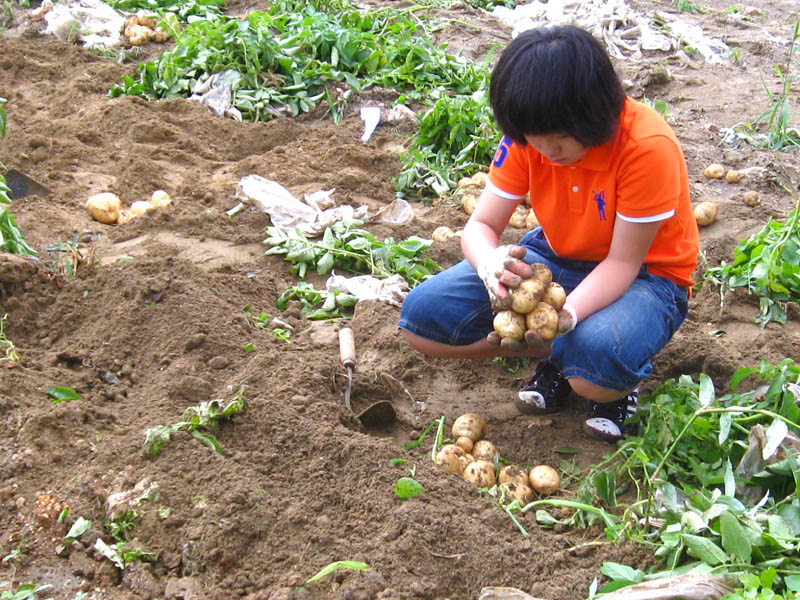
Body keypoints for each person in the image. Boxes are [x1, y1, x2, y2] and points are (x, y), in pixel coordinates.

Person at [398, 25, 699, 442]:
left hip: (647, 275)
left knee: (594, 363)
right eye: (536, 141)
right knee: (420, 319)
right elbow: (481, 226)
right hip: (557, 257)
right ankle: (555, 355)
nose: (548, 152)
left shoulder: (646, 146)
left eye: (559, 138)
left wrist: (565, 318)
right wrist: (489, 264)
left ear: (594, 113)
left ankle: (601, 380)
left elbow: (622, 262)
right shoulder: (529, 138)